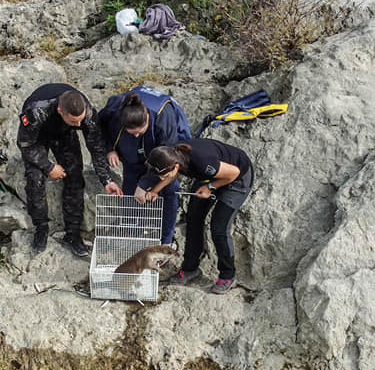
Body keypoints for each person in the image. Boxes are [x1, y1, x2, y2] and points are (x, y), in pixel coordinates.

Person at [16, 83, 122, 256]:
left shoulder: (86, 114)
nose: (79, 124)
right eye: (75, 121)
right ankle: (41, 228)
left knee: (74, 176)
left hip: (64, 133)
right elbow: (25, 144)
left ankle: (72, 234)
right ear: (60, 111)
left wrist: (106, 180)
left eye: (80, 120)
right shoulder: (37, 111)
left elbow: (96, 148)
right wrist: (49, 166)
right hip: (37, 137)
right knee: (35, 179)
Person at [142, 138, 253, 294]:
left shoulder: (202, 161)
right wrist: (155, 190)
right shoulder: (173, 156)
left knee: (219, 227)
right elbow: (169, 174)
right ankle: (190, 268)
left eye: (162, 175)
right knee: (193, 218)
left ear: (176, 166)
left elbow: (233, 173)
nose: (162, 178)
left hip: (237, 177)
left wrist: (210, 187)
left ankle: (228, 274)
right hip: (211, 176)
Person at [98, 86, 191, 245]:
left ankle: (166, 241)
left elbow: (168, 158)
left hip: (164, 153)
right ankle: (132, 231)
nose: (135, 134)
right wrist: (110, 149)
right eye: (131, 132)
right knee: (130, 189)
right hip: (133, 154)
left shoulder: (163, 116)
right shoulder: (115, 108)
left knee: (169, 189)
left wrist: (146, 184)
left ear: (147, 118)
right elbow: (99, 124)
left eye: (139, 132)